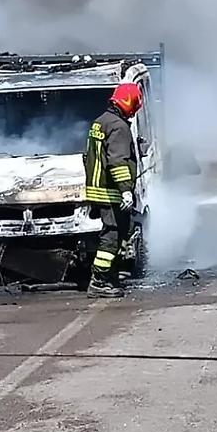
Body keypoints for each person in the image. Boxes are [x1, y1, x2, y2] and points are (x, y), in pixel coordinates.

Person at [83, 82, 142, 297]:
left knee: (120, 232)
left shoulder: (100, 122)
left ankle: (110, 276)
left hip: (98, 190)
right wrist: (126, 190)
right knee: (113, 235)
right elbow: (118, 161)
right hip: (111, 192)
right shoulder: (119, 127)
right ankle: (99, 281)